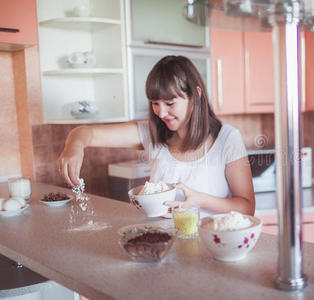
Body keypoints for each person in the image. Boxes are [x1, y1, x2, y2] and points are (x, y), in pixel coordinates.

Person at [58, 55, 255, 217]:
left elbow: (246, 207)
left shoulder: (227, 139)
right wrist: (74, 146)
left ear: (196, 95)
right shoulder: (150, 133)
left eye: (170, 104)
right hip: (162, 243)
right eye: (155, 103)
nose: (160, 113)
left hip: (207, 248)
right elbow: (85, 133)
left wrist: (200, 200)